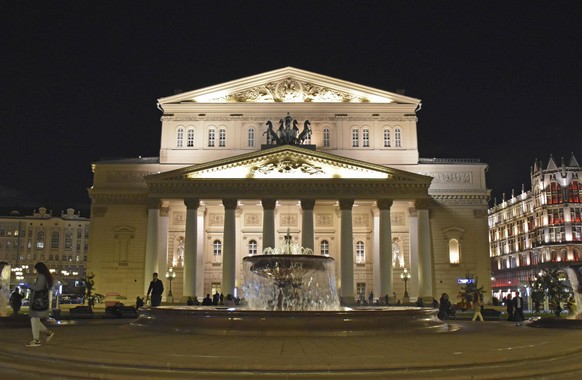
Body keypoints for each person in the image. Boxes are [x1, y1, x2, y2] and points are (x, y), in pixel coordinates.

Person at [26, 262, 55, 347]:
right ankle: (47, 333)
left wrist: (30, 285)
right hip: (43, 301)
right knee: (35, 320)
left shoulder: (42, 276)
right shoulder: (48, 277)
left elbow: (39, 287)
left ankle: (36, 340)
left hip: (38, 302)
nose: (36, 271)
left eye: (36, 269)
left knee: (34, 319)